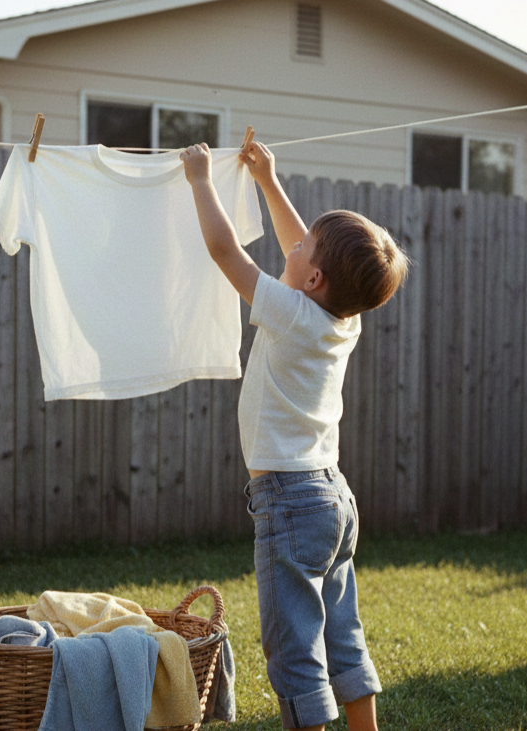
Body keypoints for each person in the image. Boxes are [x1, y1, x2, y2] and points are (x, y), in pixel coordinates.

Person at [179, 141, 409, 731]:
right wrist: (268, 181)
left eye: (305, 245)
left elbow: (226, 251)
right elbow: (300, 248)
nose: (295, 240)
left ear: (312, 277)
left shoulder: (291, 311)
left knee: (293, 649)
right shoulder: (341, 319)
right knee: (341, 634)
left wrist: (200, 180)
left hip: (289, 501)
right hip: (333, 497)